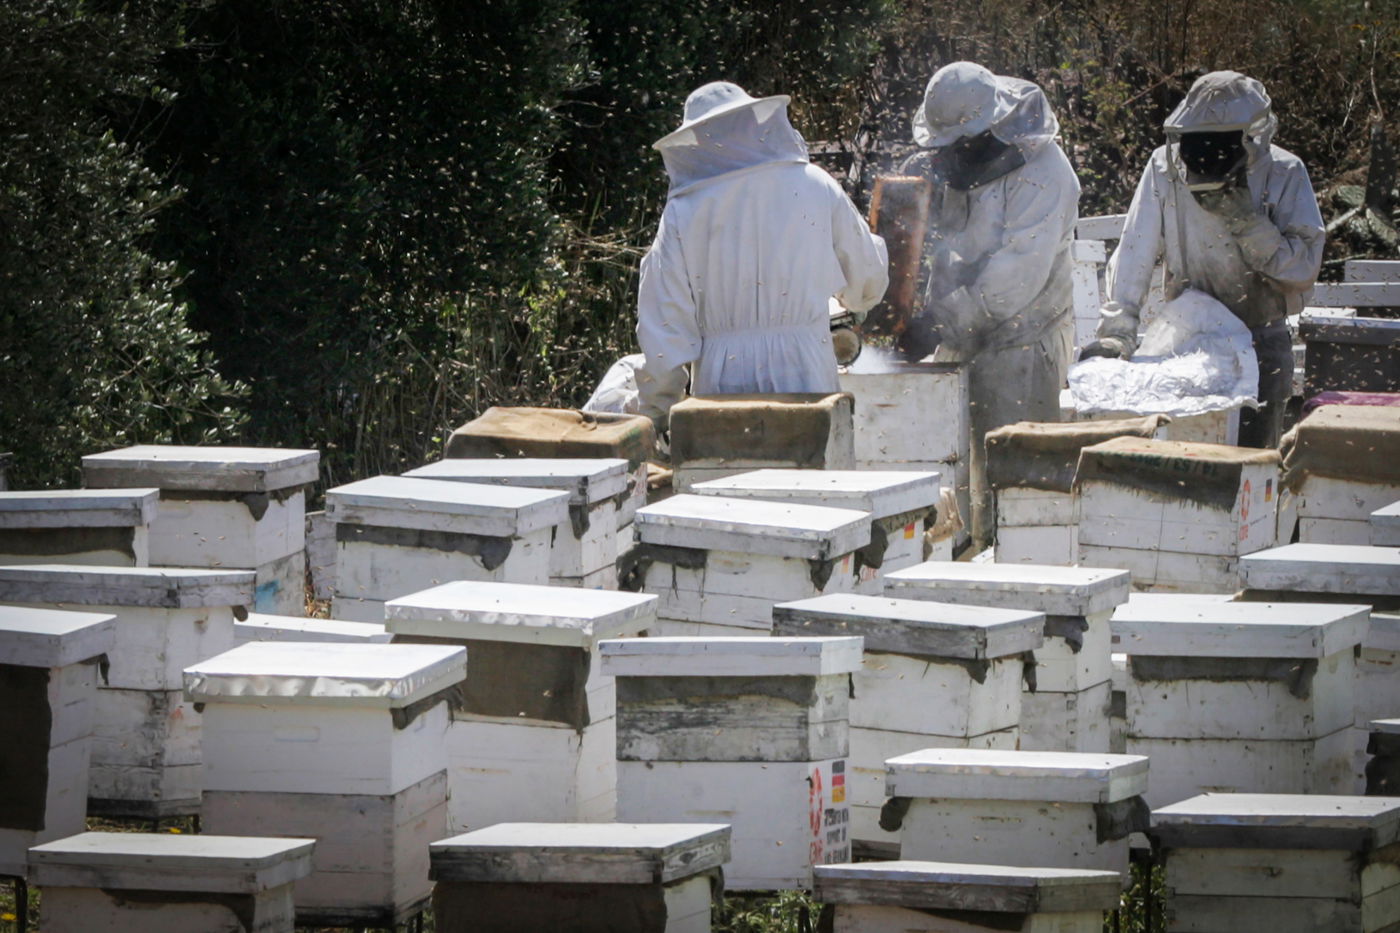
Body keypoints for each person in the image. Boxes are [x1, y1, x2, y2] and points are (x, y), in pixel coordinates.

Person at [1081, 71, 1325, 449]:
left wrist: (1247, 222)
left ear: (1250, 135)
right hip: (1190, 343)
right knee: (1187, 468)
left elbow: (1303, 270)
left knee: (1253, 476)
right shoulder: (1164, 167)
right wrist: (1117, 332)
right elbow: (1135, 249)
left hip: (1262, 339)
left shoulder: (1285, 171)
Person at [634, 81, 889, 432]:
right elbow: (867, 281)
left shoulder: (684, 211)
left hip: (722, 382)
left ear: (698, 139)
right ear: (755, 123)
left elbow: (665, 327)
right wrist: (853, 299)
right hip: (808, 371)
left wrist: (658, 412)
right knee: (814, 476)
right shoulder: (815, 184)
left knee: (729, 480)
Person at [900, 61, 1080, 548]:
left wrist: (937, 323)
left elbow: (1015, 278)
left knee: (1014, 490)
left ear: (990, 127)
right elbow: (951, 246)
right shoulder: (967, 159)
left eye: (960, 143)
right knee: (951, 489)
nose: (953, 154)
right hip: (961, 335)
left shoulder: (1045, 173)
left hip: (1022, 343)